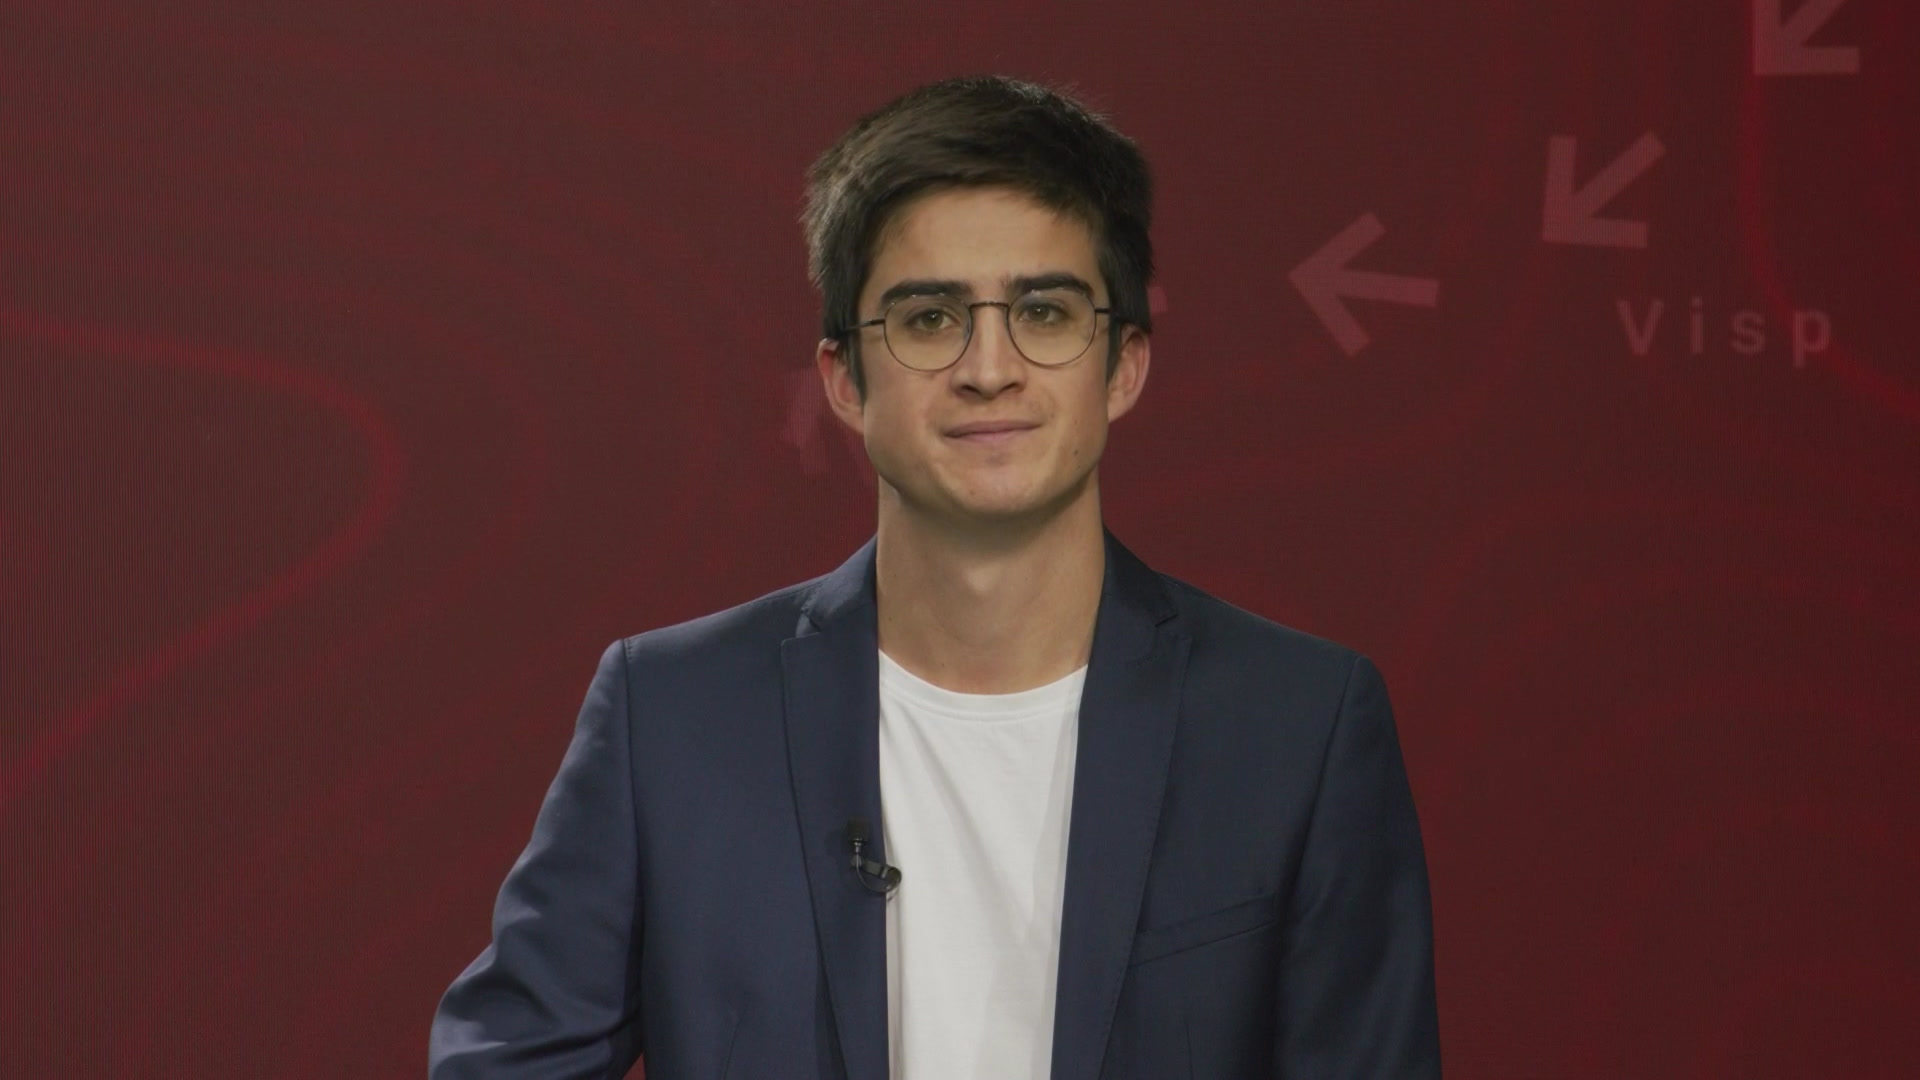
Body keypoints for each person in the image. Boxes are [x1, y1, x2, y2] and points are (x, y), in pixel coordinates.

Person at [429, 74, 1439, 1079]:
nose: (988, 368)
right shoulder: (672, 715)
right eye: (927, 319)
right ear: (843, 378)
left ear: (1123, 365)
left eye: (1044, 312)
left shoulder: (1300, 727)